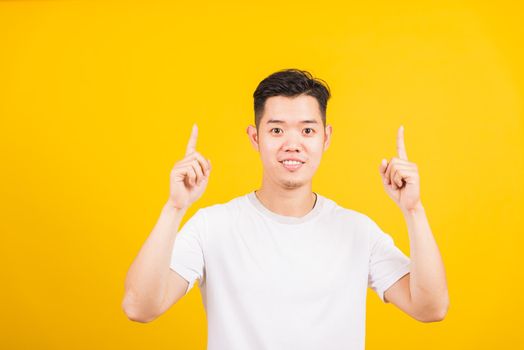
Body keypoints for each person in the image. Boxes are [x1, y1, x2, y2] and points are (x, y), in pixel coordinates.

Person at [122, 68, 449, 349]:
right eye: (276, 130)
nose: (292, 144)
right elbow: (139, 307)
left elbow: (430, 307)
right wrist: (174, 208)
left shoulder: (357, 231)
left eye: (307, 130)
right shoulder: (212, 227)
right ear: (255, 137)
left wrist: (414, 210)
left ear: (326, 137)